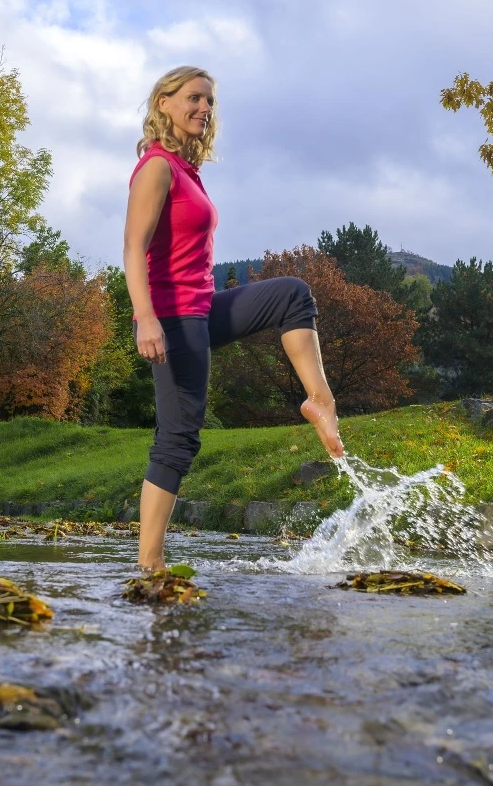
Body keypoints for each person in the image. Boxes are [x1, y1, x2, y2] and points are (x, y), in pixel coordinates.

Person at [123, 65, 345, 572]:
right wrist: (146, 318)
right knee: (179, 438)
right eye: (194, 99)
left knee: (292, 295)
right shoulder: (156, 167)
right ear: (164, 103)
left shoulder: (186, 170)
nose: (205, 108)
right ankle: (148, 564)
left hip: (201, 309)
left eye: (210, 102)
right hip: (173, 315)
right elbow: (133, 249)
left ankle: (319, 399)